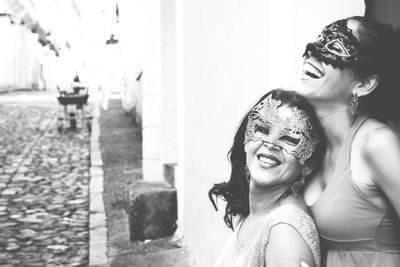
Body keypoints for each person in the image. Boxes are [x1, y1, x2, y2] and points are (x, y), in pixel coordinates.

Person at [296, 16, 400, 266]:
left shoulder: (376, 143)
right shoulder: (312, 143)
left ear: (364, 84)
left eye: (334, 46)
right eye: (320, 38)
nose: (313, 50)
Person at [209, 89, 326, 267]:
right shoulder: (250, 215)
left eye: (290, 138)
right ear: (246, 142)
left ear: (308, 164)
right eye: (263, 129)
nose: (271, 143)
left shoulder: (284, 230)